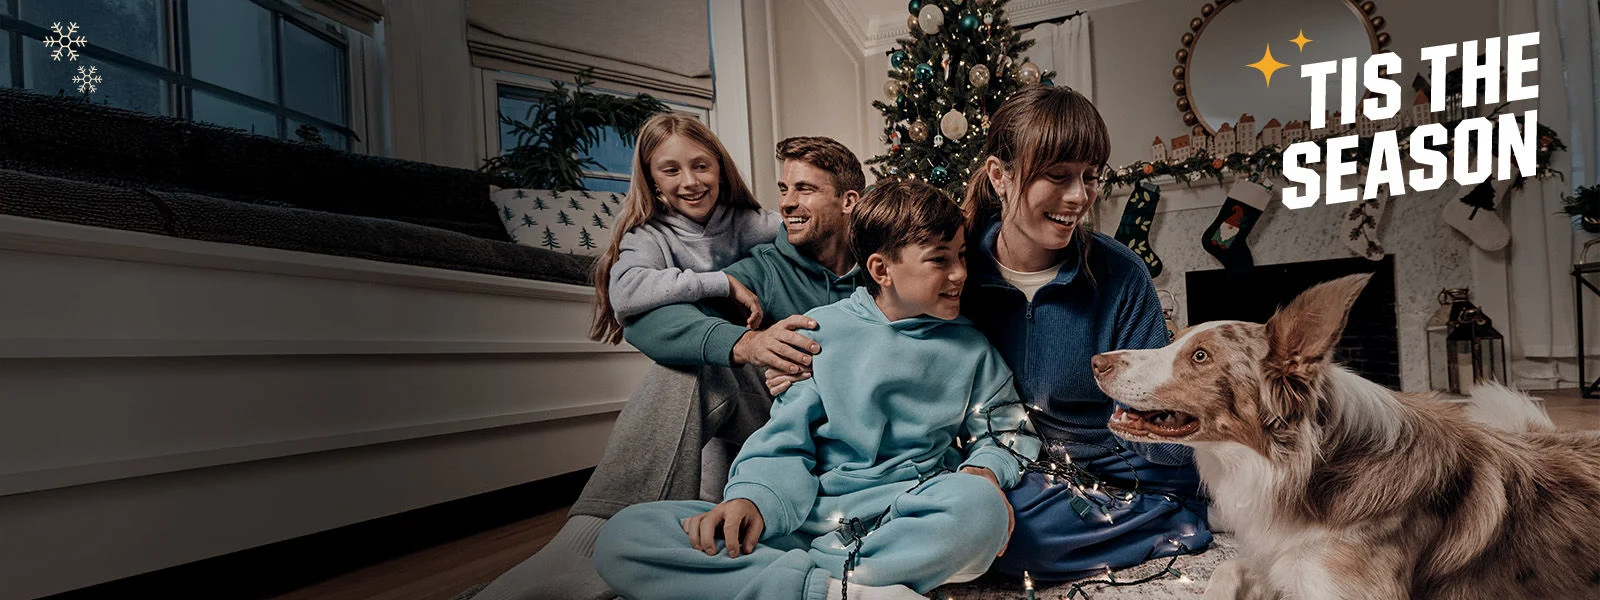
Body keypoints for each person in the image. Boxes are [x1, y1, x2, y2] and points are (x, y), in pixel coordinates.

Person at [592, 180, 1040, 600]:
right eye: (940, 259)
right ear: (882, 269)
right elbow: (782, 443)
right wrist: (752, 500)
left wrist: (983, 470)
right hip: (807, 515)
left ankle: (799, 583)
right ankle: (839, 590)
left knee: (983, 510)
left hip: (906, 518)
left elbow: (1009, 432)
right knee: (625, 535)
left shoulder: (972, 349)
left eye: (962, 256)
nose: (960, 273)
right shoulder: (821, 332)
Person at [475, 137, 868, 600]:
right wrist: (745, 342)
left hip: (867, 436)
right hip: (785, 427)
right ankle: (589, 537)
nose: (786, 203)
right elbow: (648, 320)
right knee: (683, 369)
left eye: (803, 189)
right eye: (782, 188)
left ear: (849, 202)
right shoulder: (763, 266)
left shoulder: (885, 262)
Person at [959, 86, 1213, 580]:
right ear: (999, 176)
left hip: (1127, 468)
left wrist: (1180, 431)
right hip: (1018, 467)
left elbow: (1160, 428)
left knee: (1011, 539)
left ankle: (1173, 512)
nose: (1079, 197)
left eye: (1090, 177)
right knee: (976, 525)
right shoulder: (955, 270)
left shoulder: (1121, 275)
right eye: (1058, 176)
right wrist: (762, 340)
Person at [589, 112, 781, 343]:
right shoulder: (649, 236)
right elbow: (624, 292)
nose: (690, 182)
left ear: (719, 169)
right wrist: (723, 283)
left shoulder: (749, 223)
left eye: (701, 166)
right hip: (697, 352)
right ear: (653, 181)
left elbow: (805, 230)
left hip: (762, 344)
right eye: (671, 171)